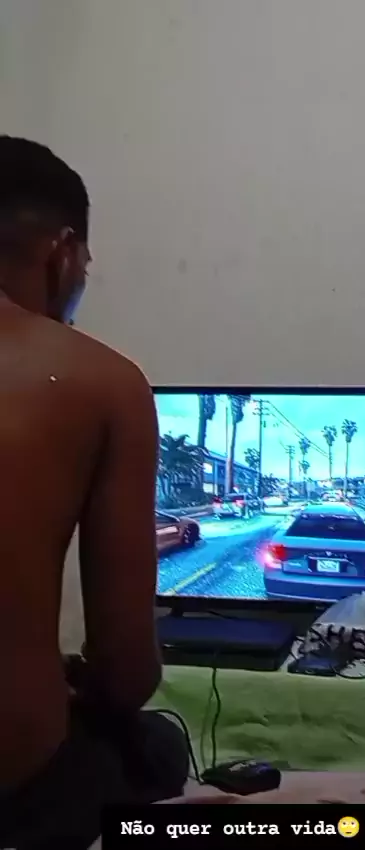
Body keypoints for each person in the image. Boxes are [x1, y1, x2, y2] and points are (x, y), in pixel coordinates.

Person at [0, 137, 188, 848]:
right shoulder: (101, 381)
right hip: (17, 791)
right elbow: (126, 671)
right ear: (61, 251)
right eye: (85, 265)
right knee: (157, 745)